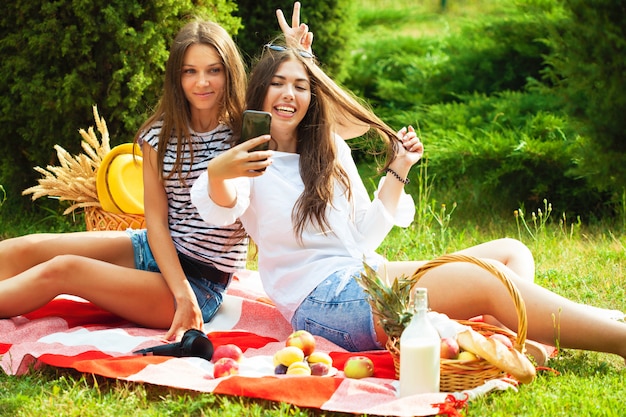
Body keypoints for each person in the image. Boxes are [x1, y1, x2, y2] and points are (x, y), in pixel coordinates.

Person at [190, 42, 626, 364]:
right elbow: (222, 204)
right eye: (278, 84)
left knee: (513, 250)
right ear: (260, 91)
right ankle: (616, 339)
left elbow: (362, 235)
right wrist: (219, 173)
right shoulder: (245, 159)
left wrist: (399, 166)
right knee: (487, 281)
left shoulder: (330, 150)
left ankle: (521, 341)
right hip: (322, 303)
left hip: (365, 276)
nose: (289, 94)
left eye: (301, 86)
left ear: (312, 97)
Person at [0, 3, 312, 342]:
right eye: (190, 71)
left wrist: (300, 60)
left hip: (199, 285)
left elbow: (302, 107)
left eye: (214, 70)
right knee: (30, 247)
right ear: (176, 76)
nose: (202, 82)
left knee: (63, 269)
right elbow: (157, 223)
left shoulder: (247, 132)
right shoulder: (160, 134)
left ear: (229, 72)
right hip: (153, 249)